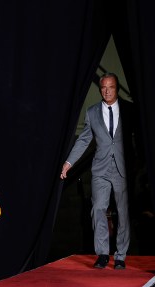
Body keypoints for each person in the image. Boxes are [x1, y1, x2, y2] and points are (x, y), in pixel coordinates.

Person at [60, 72, 135, 270]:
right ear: (100, 89)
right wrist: (68, 163)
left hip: (123, 168)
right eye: (104, 87)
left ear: (116, 88)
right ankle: (102, 254)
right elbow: (84, 139)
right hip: (100, 169)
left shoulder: (128, 110)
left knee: (123, 212)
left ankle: (120, 256)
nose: (107, 91)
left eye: (111, 87)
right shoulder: (92, 112)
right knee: (98, 209)